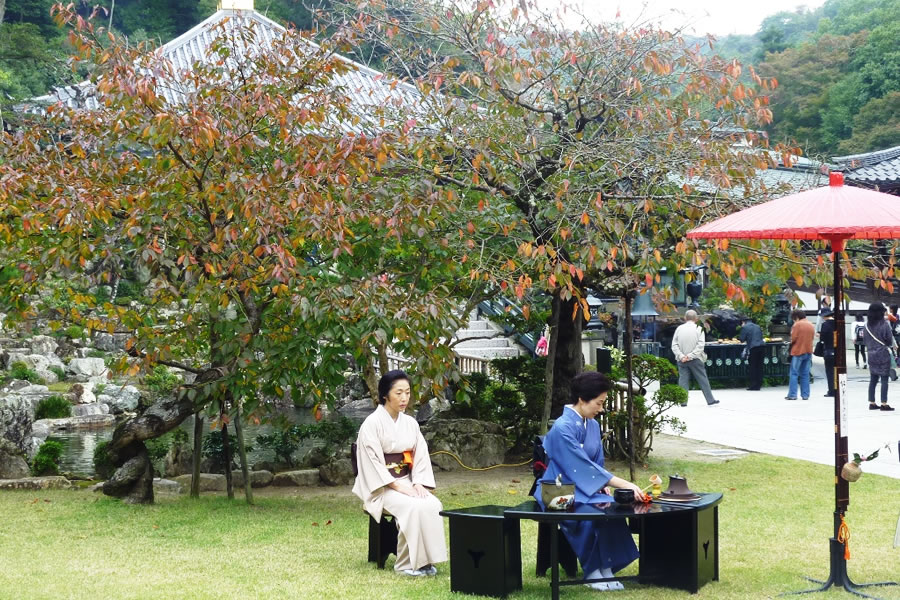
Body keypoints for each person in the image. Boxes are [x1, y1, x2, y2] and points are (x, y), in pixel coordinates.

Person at [534, 371, 647, 591]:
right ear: (582, 399)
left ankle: (607, 567)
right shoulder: (561, 427)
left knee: (611, 507)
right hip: (556, 489)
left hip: (583, 487)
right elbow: (581, 467)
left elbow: (597, 463)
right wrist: (625, 484)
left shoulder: (592, 425)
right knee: (591, 509)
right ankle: (593, 570)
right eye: (599, 402)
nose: (601, 408)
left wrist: (603, 485)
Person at [352, 370, 448, 576]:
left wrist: (419, 483)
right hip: (382, 486)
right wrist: (398, 487)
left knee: (431, 503)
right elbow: (372, 462)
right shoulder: (371, 423)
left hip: (408, 480)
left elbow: (420, 454)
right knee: (412, 507)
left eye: (407, 392)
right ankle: (405, 565)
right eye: (398, 393)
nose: (404, 398)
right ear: (386, 395)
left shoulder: (410, 423)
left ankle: (425, 561)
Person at [671, 310, 719, 406]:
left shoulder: (679, 329)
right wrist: (690, 356)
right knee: (702, 379)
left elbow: (674, 345)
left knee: (683, 380)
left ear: (685, 318)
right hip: (696, 359)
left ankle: (683, 401)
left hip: (681, 359)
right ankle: (710, 400)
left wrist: (681, 356)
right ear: (696, 319)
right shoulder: (699, 329)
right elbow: (700, 346)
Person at [862, 303, 896, 412]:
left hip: (871, 354)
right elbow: (889, 340)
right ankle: (884, 403)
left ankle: (872, 403)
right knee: (884, 379)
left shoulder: (866, 325)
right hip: (882, 354)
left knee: (873, 379)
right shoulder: (884, 324)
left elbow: (864, 341)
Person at [786, 309, 814, 401]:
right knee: (805, 374)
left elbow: (793, 338)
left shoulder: (797, 325)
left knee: (794, 373)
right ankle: (805, 395)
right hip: (808, 351)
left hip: (798, 351)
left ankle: (792, 395)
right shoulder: (810, 324)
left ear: (796, 317)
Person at [738, 316, 765, 391]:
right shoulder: (757, 326)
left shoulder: (745, 327)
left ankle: (753, 385)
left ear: (743, 322)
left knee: (753, 366)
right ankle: (758, 385)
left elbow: (742, 339)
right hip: (762, 347)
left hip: (753, 348)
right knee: (759, 366)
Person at [819, 308, 836, 397]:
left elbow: (822, 338)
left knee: (830, 372)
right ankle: (837, 389)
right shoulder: (837, 323)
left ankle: (831, 390)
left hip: (828, 350)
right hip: (837, 351)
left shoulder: (825, 325)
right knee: (837, 371)